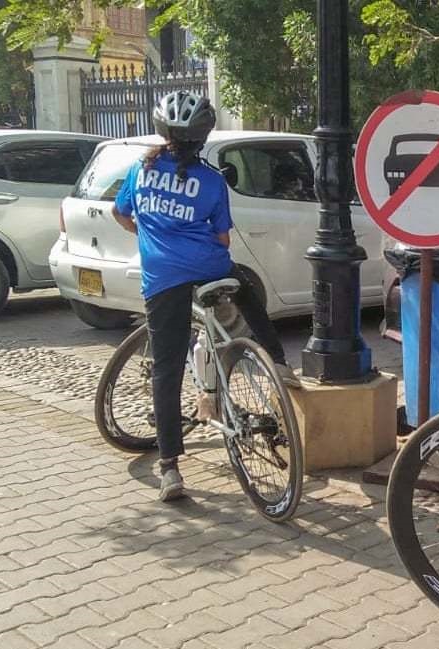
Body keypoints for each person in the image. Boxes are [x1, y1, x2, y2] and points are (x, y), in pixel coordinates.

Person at [111, 90, 293, 503]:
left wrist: (150, 238)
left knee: (167, 368)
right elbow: (223, 236)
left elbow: (122, 214)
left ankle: (170, 468)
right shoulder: (211, 180)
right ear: (203, 136)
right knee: (246, 291)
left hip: (163, 277)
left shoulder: (140, 171)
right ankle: (279, 363)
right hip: (210, 267)